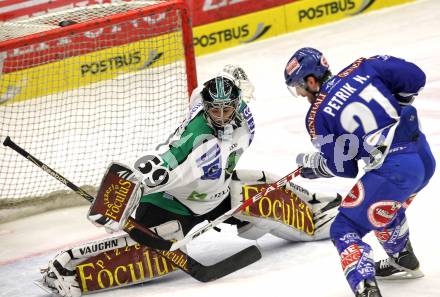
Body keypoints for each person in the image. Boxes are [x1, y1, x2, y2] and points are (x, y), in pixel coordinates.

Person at [37, 65, 341, 297]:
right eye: (215, 109)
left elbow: (227, 79)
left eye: (228, 107)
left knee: (261, 185)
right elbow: (164, 160)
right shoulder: (197, 141)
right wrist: (122, 196)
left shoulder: (239, 108)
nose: (222, 114)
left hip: (217, 194)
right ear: (205, 108)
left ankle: (314, 209)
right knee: (161, 252)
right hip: (175, 205)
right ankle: (69, 267)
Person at [284, 47, 436, 297]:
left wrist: (318, 165)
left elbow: (343, 168)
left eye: (298, 86)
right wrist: (394, 107)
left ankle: (366, 291)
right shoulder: (365, 66)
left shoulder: (316, 116)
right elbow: (416, 76)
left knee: (344, 228)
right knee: (380, 206)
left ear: (311, 80)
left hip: (395, 171)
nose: (300, 93)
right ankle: (402, 258)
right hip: (423, 158)